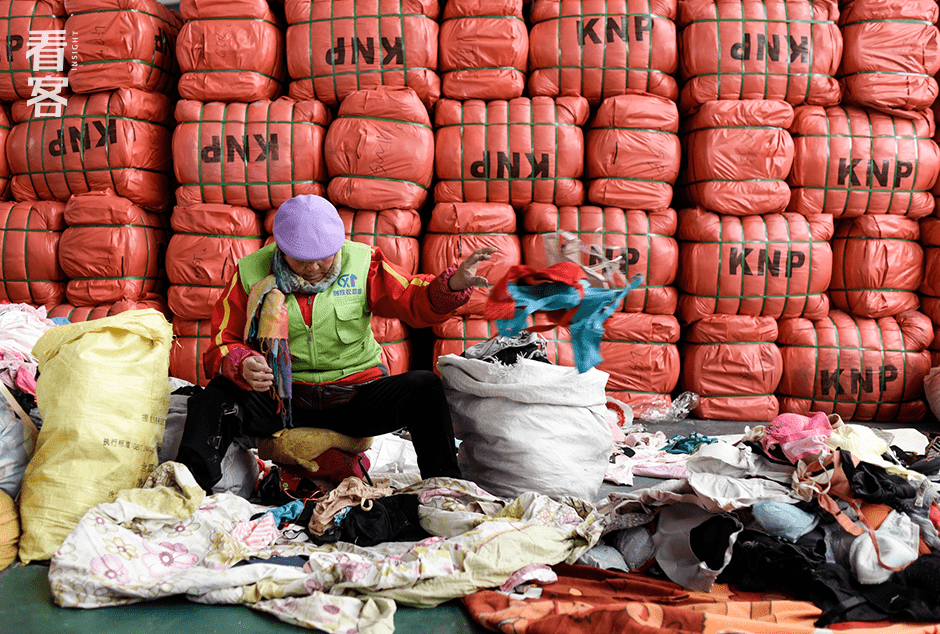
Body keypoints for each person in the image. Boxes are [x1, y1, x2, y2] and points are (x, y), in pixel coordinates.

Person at [177, 194, 496, 493]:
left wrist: (452, 285)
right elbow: (221, 343)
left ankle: (444, 488)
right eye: (302, 260)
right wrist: (242, 363)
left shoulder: (363, 263)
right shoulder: (250, 273)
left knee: (425, 387)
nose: (314, 268)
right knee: (213, 396)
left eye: (324, 258)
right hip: (284, 400)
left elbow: (413, 298)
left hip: (354, 401)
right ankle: (187, 487)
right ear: (281, 249)